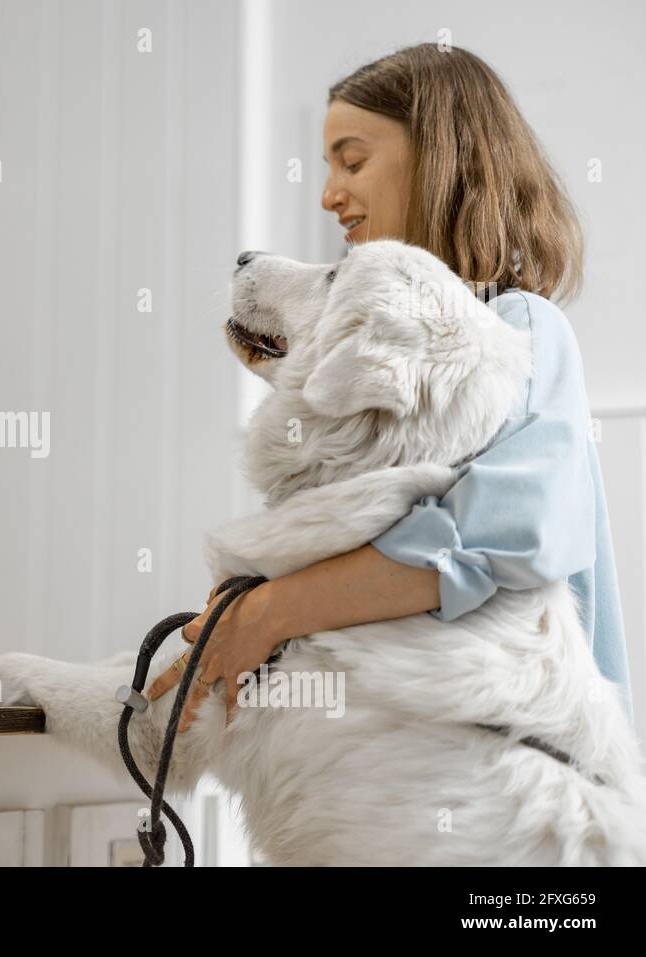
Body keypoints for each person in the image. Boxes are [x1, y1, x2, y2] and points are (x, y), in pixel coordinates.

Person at [145, 43, 634, 732]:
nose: (328, 195)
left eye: (352, 160)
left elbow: (509, 533)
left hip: (520, 788)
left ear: (442, 160)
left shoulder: (521, 327)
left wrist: (270, 609)